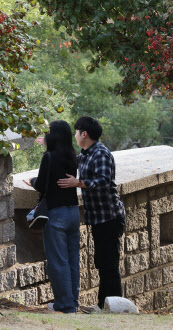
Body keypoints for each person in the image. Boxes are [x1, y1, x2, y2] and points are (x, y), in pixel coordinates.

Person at [58, 117, 126, 313]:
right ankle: (104, 305)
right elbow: (68, 160)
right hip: (98, 218)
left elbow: (104, 181)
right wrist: (51, 143)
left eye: (76, 132)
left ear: (84, 134)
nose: (76, 136)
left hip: (110, 218)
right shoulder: (85, 154)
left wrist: (78, 183)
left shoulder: (101, 154)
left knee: (109, 264)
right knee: (103, 262)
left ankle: (113, 307)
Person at [24, 121, 80, 313]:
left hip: (56, 214)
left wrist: (31, 181)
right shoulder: (72, 156)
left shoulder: (49, 157)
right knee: (73, 259)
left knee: (58, 261)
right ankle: (72, 301)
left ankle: (64, 305)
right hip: (73, 212)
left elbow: (42, 185)